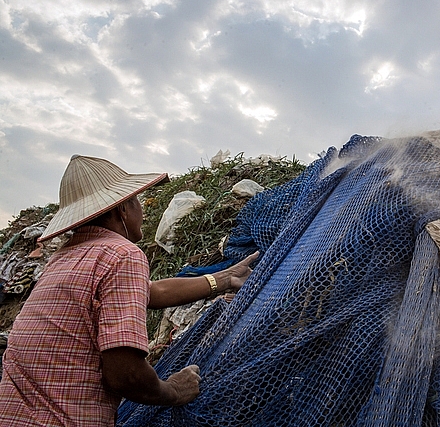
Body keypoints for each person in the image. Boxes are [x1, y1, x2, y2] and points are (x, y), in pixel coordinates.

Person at [0, 155, 259, 426]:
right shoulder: (122, 254)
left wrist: (225, 278)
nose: (142, 212)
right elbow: (125, 375)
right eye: (136, 201)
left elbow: (154, 292)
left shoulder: (63, 259)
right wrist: (173, 390)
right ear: (122, 209)